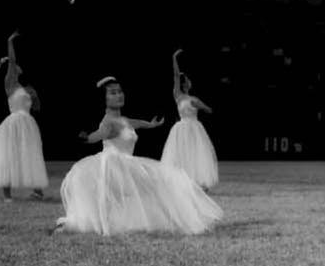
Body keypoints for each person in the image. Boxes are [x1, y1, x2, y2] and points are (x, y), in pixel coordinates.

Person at [55, 76, 223, 235]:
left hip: (126, 165)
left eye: (120, 91)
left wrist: (151, 124)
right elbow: (100, 133)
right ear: (104, 99)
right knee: (162, 184)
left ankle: (179, 220)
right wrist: (88, 138)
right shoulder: (109, 122)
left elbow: (134, 123)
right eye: (113, 93)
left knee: (156, 188)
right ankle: (181, 221)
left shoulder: (122, 120)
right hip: (114, 166)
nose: (119, 95)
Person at [0, 31, 49, 201]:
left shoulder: (26, 88)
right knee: (9, 156)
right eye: (12, 65)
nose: (16, 66)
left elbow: (37, 108)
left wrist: (34, 96)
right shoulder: (10, 83)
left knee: (30, 154)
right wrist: (10, 42)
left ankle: (37, 191)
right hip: (15, 122)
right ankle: (7, 196)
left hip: (28, 123)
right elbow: (13, 59)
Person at [160, 49, 219, 189]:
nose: (189, 81)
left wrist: (202, 106)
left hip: (188, 128)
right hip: (188, 127)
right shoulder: (182, 96)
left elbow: (208, 109)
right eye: (187, 80)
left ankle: (195, 181)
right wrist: (174, 58)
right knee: (186, 153)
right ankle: (184, 182)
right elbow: (175, 75)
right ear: (186, 83)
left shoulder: (184, 98)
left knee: (192, 153)